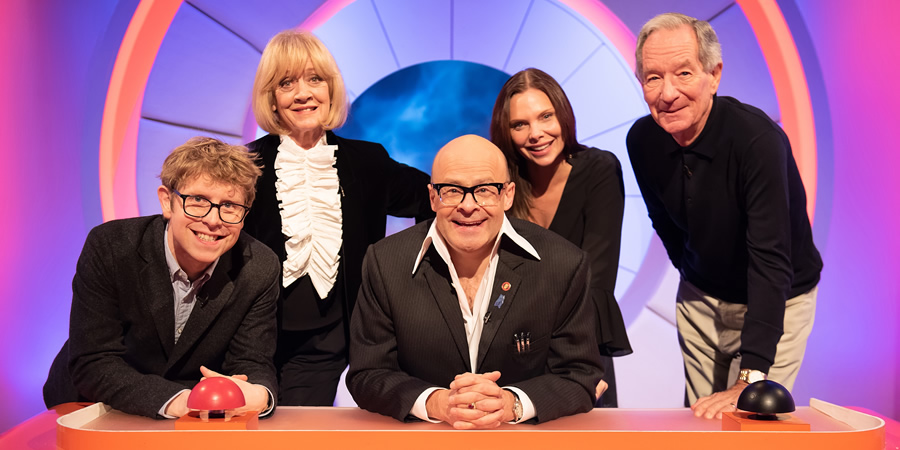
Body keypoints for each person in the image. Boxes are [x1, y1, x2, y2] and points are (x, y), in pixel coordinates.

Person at [626, 13, 822, 419]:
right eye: (652, 78)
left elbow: (771, 261)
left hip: (776, 297)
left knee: (753, 420)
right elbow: (662, 219)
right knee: (702, 418)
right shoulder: (641, 139)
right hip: (701, 296)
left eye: (683, 73)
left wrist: (749, 379)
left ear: (713, 75)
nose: (667, 93)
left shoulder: (758, 141)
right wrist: (696, 273)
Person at [346, 134, 603, 428]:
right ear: (432, 197)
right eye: (452, 190)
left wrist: (511, 404)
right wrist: (437, 403)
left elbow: (580, 376)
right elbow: (367, 374)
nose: (468, 206)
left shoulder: (563, 264)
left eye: (484, 190)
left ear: (507, 195)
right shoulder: (385, 262)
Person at [243, 29, 432, 406]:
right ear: (272, 98)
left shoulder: (368, 161)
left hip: (328, 342)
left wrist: (411, 278)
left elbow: (433, 196)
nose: (303, 93)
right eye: (286, 83)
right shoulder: (246, 165)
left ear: (330, 89)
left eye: (315, 79)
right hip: (254, 338)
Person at [43, 137, 279, 419]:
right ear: (168, 202)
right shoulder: (111, 246)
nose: (214, 220)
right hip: (93, 404)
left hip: (194, 416)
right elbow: (95, 360)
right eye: (198, 200)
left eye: (230, 206)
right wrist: (178, 400)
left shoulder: (260, 266)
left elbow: (252, 362)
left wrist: (258, 394)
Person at [490, 68, 632, 407]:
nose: (536, 133)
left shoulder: (599, 169)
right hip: (514, 350)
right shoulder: (501, 183)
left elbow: (596, 279)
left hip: (579, 346)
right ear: (506, 133)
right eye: (520, 124)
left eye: (545, 117)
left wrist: (579, 367)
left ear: (563, 115)